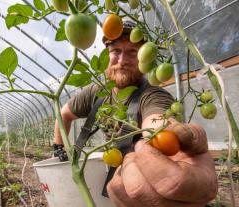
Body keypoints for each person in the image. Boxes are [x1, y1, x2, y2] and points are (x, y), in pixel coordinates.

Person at [52, 20, 217, 206]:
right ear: (106, 55)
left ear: (146, 58)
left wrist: (165, 136)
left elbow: (157, 122)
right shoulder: (95, 90)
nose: (122, 61)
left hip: (143, 183)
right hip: (113, 177)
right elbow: (63, 114)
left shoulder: (153, 95)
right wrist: (59, 148)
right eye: (116, 51)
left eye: (133, 52)